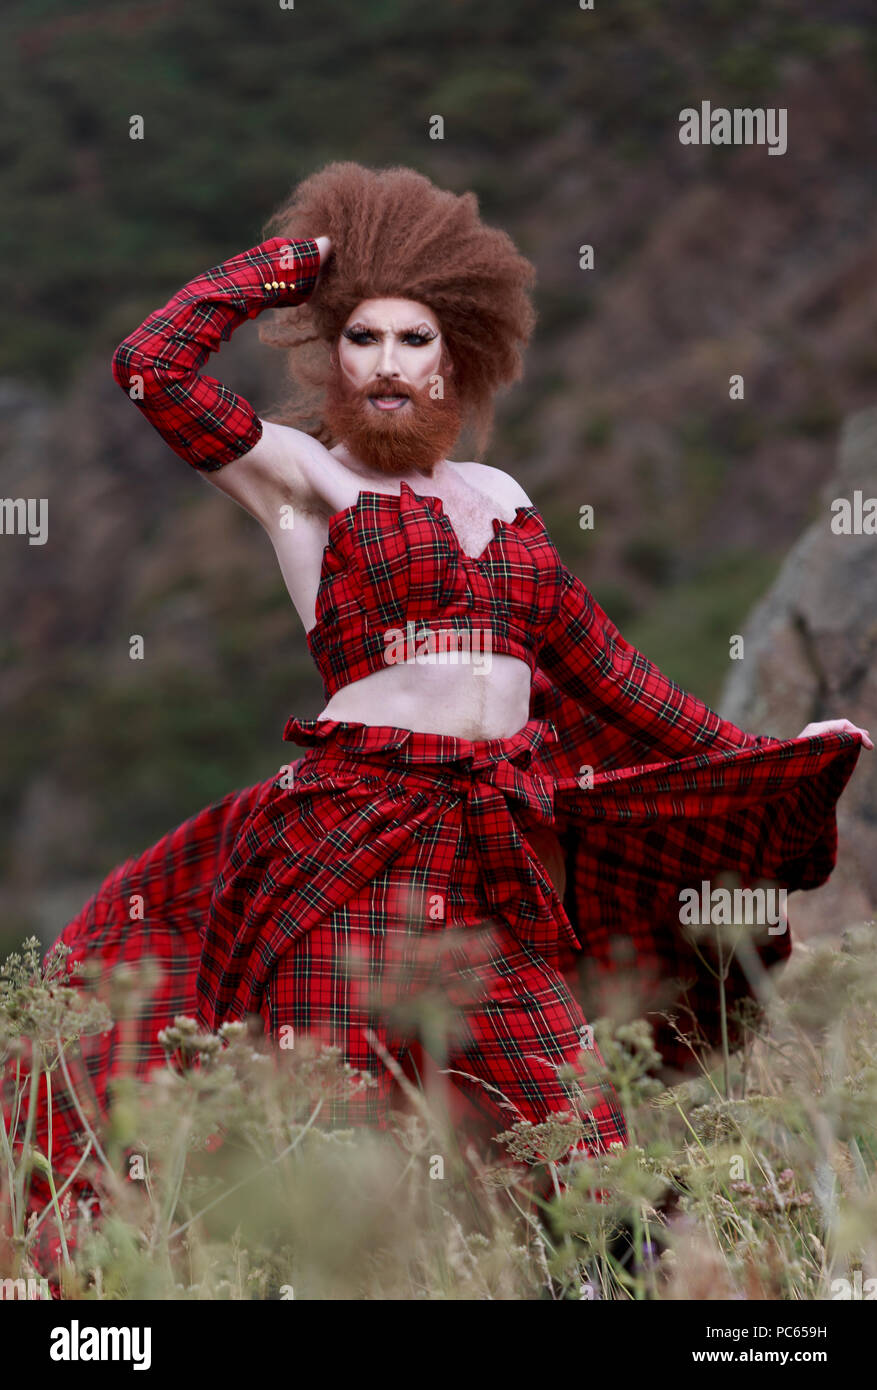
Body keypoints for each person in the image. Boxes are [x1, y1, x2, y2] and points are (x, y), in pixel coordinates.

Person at [5, 163, 870, 1264]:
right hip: (347, 842)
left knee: (582, 1130)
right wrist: (291, 271)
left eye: (412, 340)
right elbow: (151, 368)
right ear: (333, 357)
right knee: (324, 1134)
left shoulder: (502, 500)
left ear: (454, 355)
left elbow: (608, 674)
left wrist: (764, 757)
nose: (386, 364)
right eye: (360, 339)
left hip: (490, 858)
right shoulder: (306, 482)